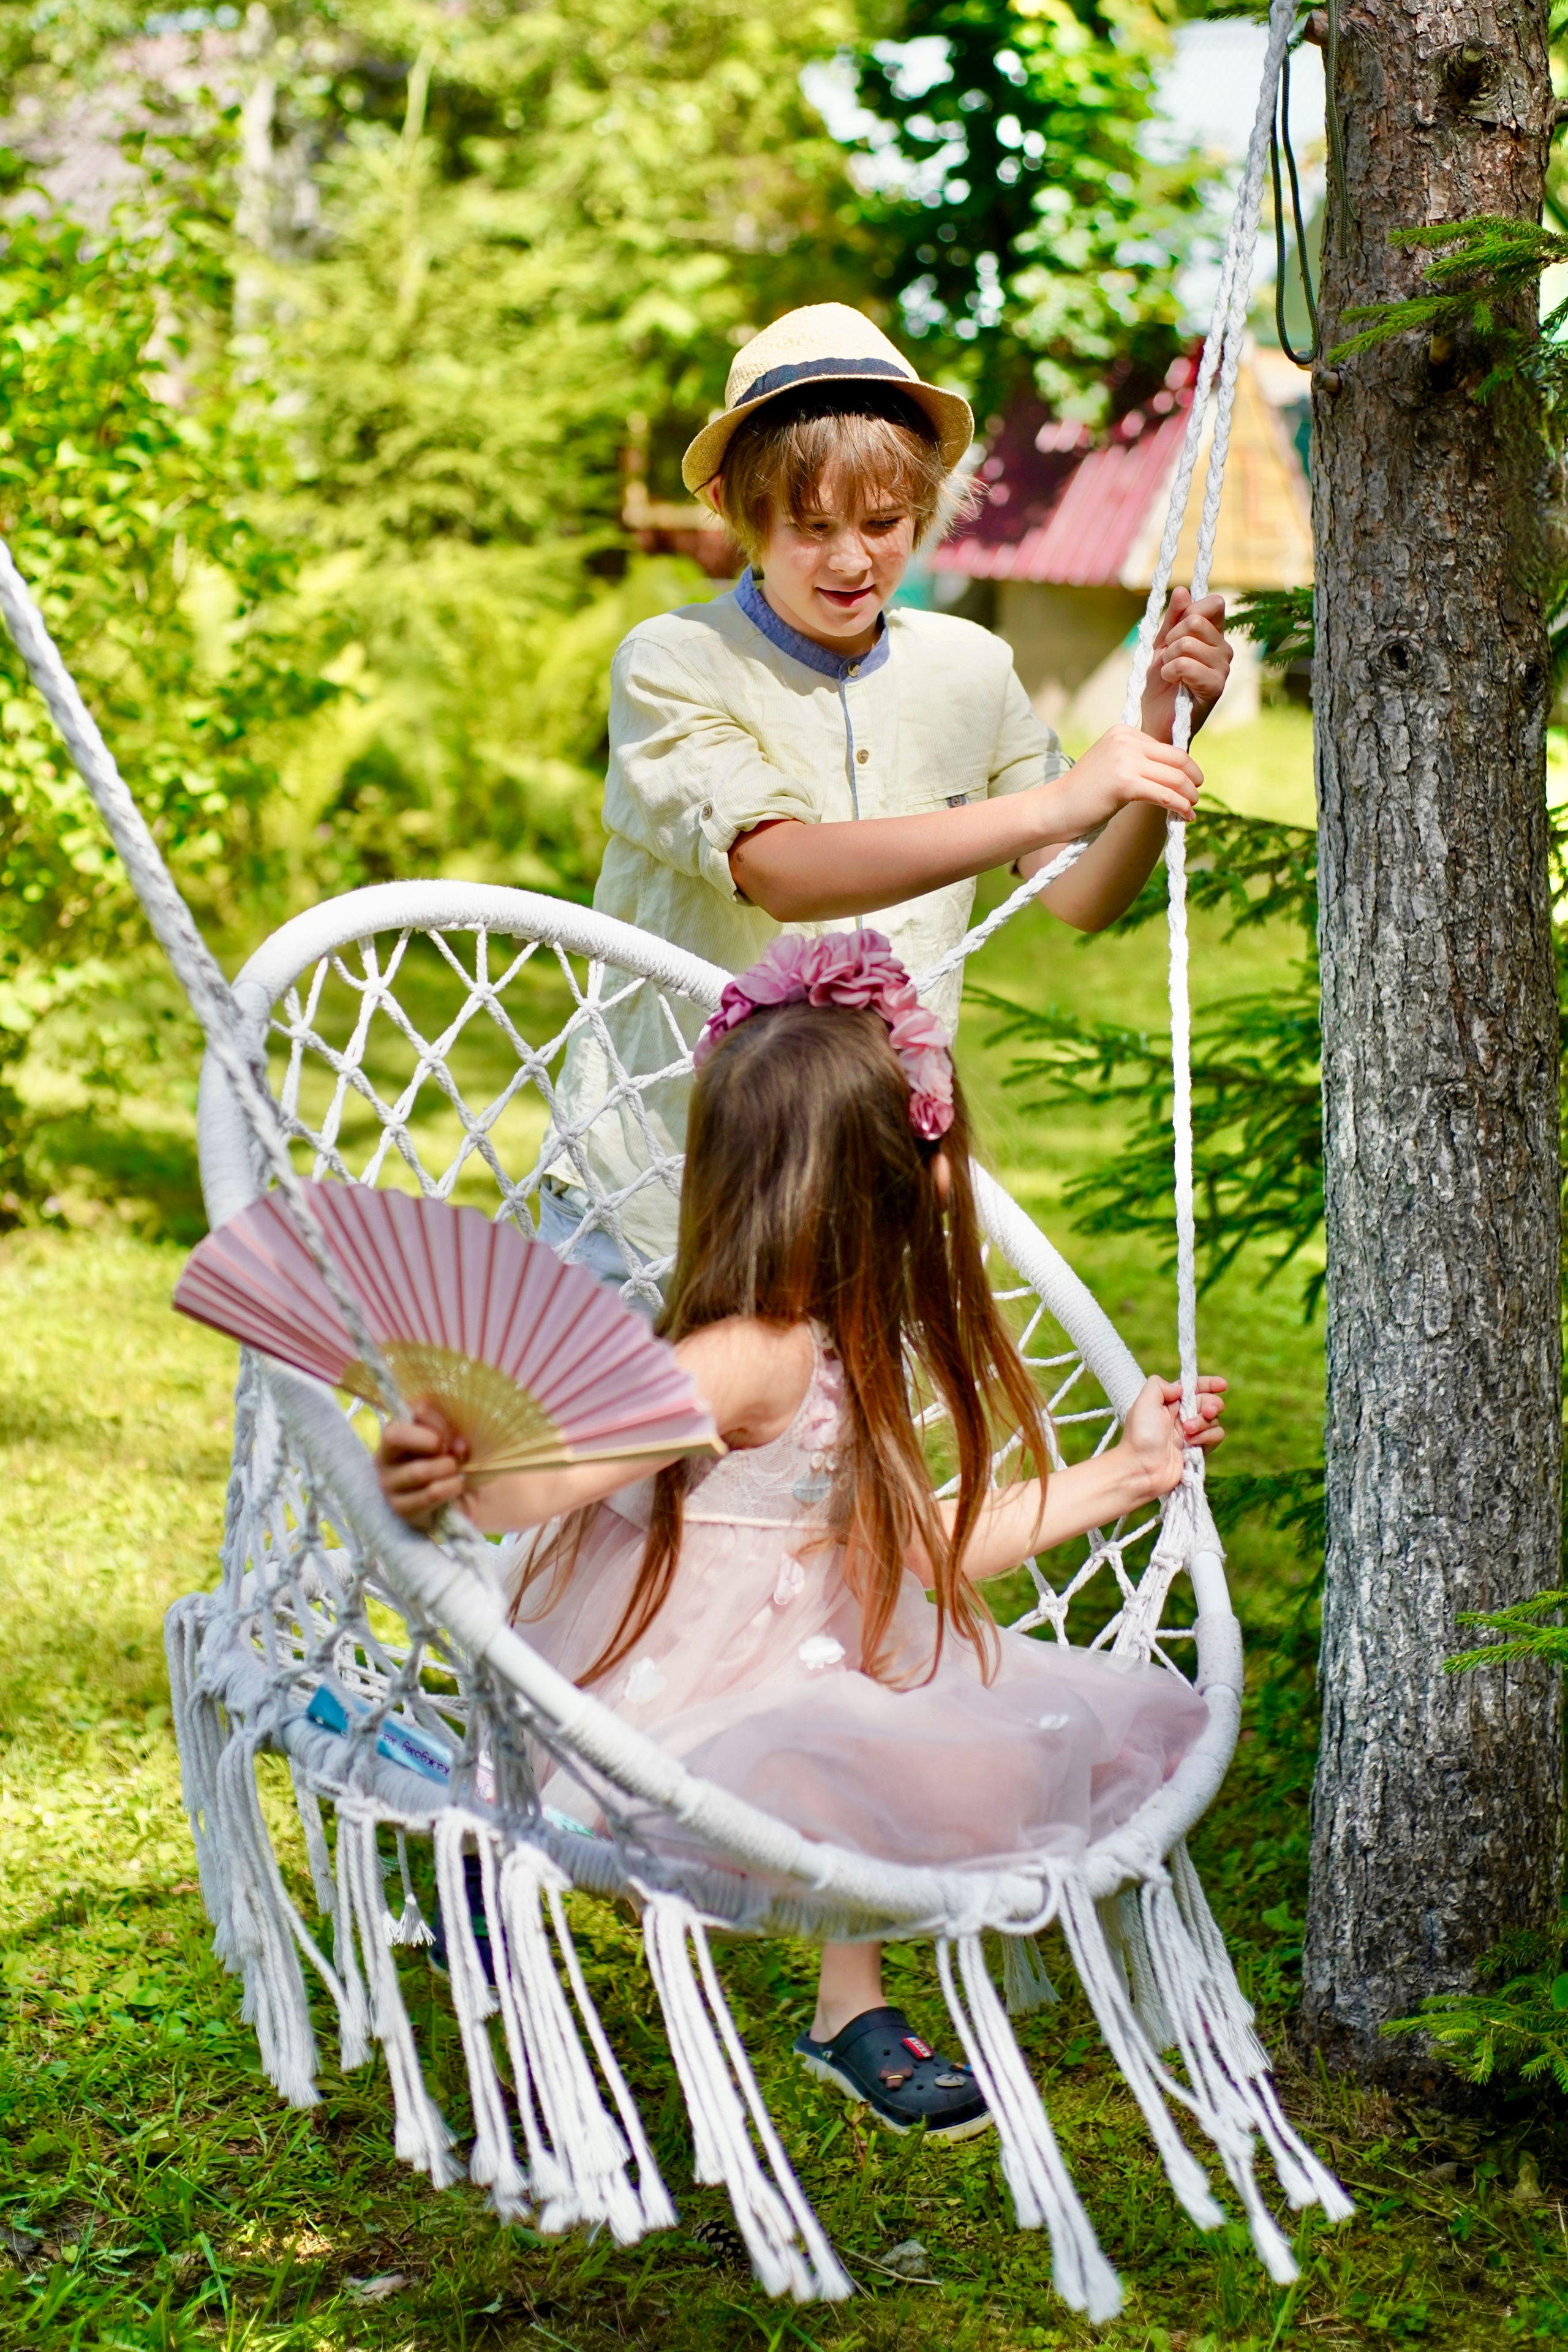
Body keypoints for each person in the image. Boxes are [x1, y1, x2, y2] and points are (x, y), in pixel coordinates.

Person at [381, 933, 1226, 2143]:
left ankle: (846, 2008)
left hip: (806, 1665)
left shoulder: (844, 1339)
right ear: (858, 1186)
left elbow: (903, 1555)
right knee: (838, 1742)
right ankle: (494, 1850)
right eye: (925, 1148)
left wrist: (1127, 1472)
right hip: (667, 1703)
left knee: (949, 1736)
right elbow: (554, 1477)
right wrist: (466, 1473)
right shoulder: (746, 1352)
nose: (949, 1176)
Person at [539, 301, 1232, 1290]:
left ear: (924, 507)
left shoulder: (969, 669)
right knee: (621, 1447)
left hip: (853, 1208)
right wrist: (1062, 800)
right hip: (654, 1199)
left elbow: (1080, 893)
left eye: (883, 523)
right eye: (812, 527)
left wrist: (1165, 729)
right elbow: (780, 869)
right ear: (745, 510)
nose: (853, 560)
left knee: (819, 1451)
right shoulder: (675, 662)